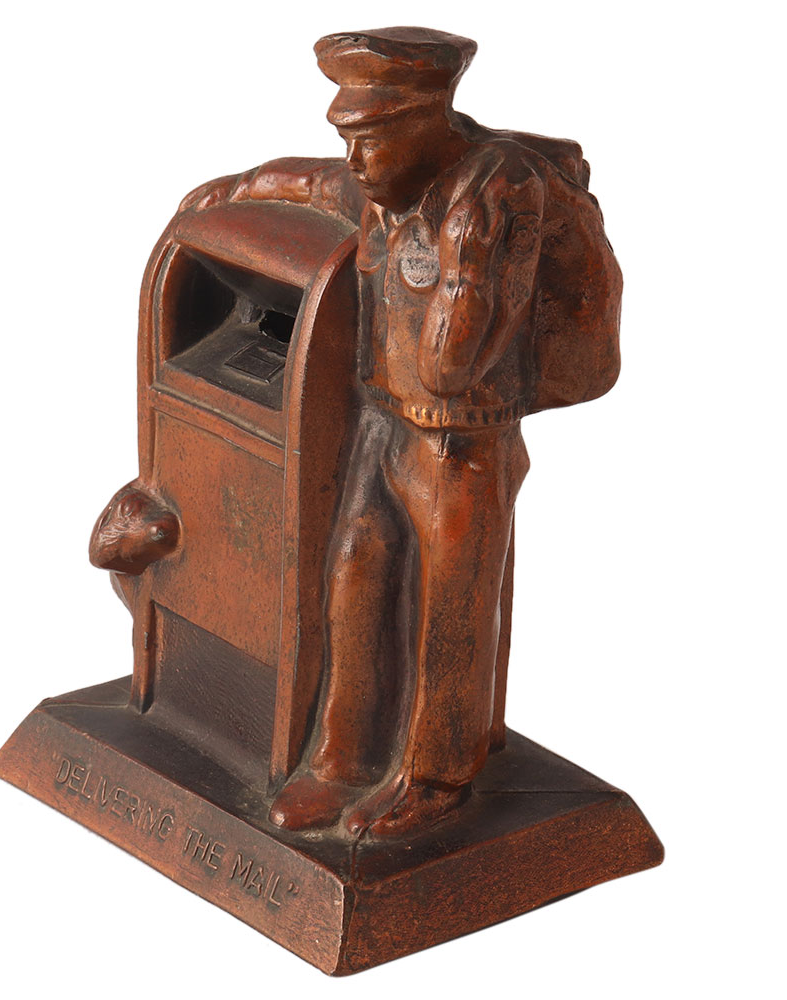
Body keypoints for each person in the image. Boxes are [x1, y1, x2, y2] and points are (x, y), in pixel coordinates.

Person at [180, 27, 621, 836]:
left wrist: (466, 249)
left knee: (450, 607)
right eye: (347, 137)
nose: (354, 160)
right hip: (385, 424)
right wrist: (234, 189)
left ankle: (435, 778)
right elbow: (309, 182)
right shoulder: (384, 185)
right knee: (356, 571)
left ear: (425, 126)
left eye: (369, 139)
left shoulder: (494, 191)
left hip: (461, 442)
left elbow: (453, 362)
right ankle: (344, 759)